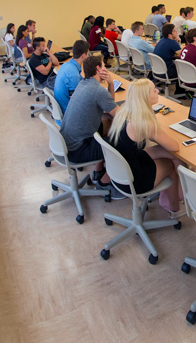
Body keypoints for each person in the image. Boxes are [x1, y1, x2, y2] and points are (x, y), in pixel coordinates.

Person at [106, 79, 184, 213]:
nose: (158, 91)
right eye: (154, 90)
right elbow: (174, 146)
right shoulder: (143, 121)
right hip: (134, 180)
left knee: (171, 155)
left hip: (120, 171)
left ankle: (179, 193)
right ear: (145, 97)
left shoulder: (125, 111)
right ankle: (175, 208)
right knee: (171, 162)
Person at [60, 55, 118, 188]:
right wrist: (110, 83)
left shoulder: (82, 83)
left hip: (67, 145)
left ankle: (98, 171)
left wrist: (110, 84)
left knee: (106, 121)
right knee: (121, 142)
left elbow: (110, 106)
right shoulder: (97, 91)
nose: (106, 69)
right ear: (98, 69)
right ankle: (105, 182)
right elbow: (118, 114)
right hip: (78, 151)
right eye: (104, 66)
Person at [53, 40, 89, 112]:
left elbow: (81, 81)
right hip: (68, 113)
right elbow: (76, 101)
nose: (88, 56)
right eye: (88, 54)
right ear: (83, 55)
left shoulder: (66, 65)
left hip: (63, 106)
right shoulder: (74, 74)